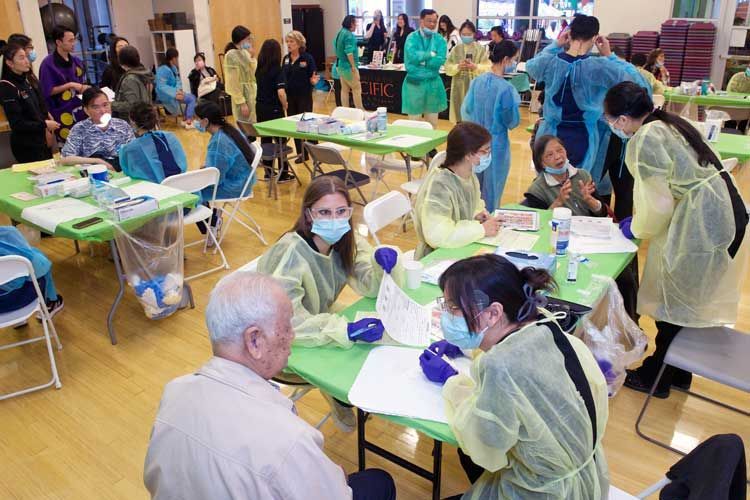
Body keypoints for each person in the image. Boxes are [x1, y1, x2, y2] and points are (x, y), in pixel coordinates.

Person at [143, 271, 397, 500]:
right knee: (378, 482)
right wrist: (333, 479)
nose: (293, 335)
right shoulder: (288, 440)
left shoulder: (174, 392)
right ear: (254, 340)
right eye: (287, 325)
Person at [421, 254, 609, 498]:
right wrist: (470, 346)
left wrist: (450, 380)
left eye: (454, 308)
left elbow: (485, 445)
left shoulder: (499, 366)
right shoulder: (548, 326)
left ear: (493, 313)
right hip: (585, 477)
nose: (446, 315)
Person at [604, 81, 748, 398]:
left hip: (707, 220)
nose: (613, 127)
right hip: (723, 211)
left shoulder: (646, 138)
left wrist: (636, 229)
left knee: (675, 299)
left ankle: (659, 376)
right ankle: (679, 371)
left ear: (623, 119)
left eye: (611, 120)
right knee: (688, 297)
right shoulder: (667, 122)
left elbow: (658, 205)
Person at [257, 175, 400, 431]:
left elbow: (368, 285)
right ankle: (339, 394)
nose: (334, 219)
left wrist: (381, 266)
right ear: (309, 214)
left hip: (314, 318)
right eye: (324, 212)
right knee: (353, 345)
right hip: (279, 338)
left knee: (372, 339)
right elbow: (285, 322)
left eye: (341, 211)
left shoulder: (345, 241)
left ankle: (342, 394)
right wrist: (345, 331)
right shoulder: (290, 253)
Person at [525, 13, 648, 194]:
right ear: (594, 37)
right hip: (583, 137)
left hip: (550, 134)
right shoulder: (600, 66)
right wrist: (610, 55)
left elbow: (531, 67)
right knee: (578, 188)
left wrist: (556, 45)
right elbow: (639, 84)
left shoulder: (551, 61)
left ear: (570, 34)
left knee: (549, 187)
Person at [413, 122, 501, 259]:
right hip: (436, 256)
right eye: (485, 151)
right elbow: (437, 235)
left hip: (459, 247)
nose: (488, 156)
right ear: (468, 154)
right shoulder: (440, 185)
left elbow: (473, 202)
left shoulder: (468, 175)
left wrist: (478, 214)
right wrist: (481, 229)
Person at [461, 40, 521, 211]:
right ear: (506, 60)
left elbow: (467, 110)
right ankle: (490, 222)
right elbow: (512, 121)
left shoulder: (477, 82)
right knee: (493, 188)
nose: (514, 64)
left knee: (474, 186)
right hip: (496, 144)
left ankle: (474, 219)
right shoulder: (506, 90)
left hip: (475, 143)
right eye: (514, 60)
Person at [0, 43, 59, 162]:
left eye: (26, 57)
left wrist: (46, 128)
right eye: (21, 58)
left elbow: (37, 109)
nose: (27, 61)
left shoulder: (26, 81)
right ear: (10, 63)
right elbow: (17, 123)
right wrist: (44, 125)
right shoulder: (7, 86)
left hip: (40, 140)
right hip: (26, 145)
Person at [525, 135, 608, 215]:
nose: (557, 156)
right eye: (550, 155)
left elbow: (603, 213)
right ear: (542, 163)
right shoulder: (537, 189)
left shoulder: (583, 175)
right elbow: (539, 222)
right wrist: (559, 201)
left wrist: (590, 200)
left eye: (559, 150)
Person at [194, 100, 257, 202]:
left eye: (197, 119)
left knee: (192, 192)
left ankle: (210, 217)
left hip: (234, 187)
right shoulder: (230, 130)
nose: (195, 122)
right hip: (243, 181)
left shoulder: (219, 142)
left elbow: (215, 178)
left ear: (205, 121)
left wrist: (204, 172)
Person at [60, 87, 134, 171]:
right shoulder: (80, 129)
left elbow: (134, 152)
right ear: (86, 111)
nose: (103, 111)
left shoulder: (122, 125)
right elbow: (65, 159)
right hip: (95, 173)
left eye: (105, 105)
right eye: (96, 107)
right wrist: (97, 161)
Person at [0, 226, 64, 319]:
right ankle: (50, 302)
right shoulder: (9, 233)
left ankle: (19, 322)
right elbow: (21, 280)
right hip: (12, 301)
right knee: (40, 263)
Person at [39, 25, 89, 142]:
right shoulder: (48, 64)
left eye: (74, 40)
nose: (74, 43)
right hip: (60, 111)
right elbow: (47, 90)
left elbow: (82, 82)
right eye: (70, 40)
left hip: (80, 109)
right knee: (69, 145)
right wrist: (70, 85)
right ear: (58, 42)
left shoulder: (77, 61)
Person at [255, 38, 294, 182]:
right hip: (274, 109)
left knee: (265, 139)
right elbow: (281, 92)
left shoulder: (259, 70)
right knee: (280, 140)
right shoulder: (278, 70)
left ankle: (268, 172)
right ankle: (283, 173)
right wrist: (285, 104)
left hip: (260, 107)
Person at [119, 102, 187, 183]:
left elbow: (128, 172)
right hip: (181, 185)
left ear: (132, 121)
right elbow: (182, 165)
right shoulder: (170, 136)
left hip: (154, 190)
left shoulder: (129, 149)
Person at [402, 9, 448, 129]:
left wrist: (422, 61)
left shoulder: (440, 40)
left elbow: (439, 60)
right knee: (414, 123)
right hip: (414, 85)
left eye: (434, 22)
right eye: (429, 21)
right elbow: (411, 57)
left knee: (432, 123)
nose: (432, 24)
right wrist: (431, 54)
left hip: (433, 85)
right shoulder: (412, 38)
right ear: (421, 21)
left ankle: (430, 147)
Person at [282, 31, 319, 163]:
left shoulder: (307, 58)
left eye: (292, 41)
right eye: (287, 41)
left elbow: (313, 75)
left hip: (304, 95)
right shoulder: (286, 58)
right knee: (295, 125)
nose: (289, 44)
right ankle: (301, 154)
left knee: (307, 123)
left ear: (299, 43)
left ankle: (316, 153)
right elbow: (283, 76)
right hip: (290, 96)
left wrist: (314, 81)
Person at [445, 20, 489, 124]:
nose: (466, 36)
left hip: (476, 87)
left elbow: (487, 67)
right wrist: (458, 66)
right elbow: (448, 66)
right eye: (463, 34)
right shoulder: (456, 49)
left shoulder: (480, 49)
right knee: (459, 114)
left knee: (474, 115)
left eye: (469, 34)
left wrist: (475, 66)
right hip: (458, 86)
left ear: (474, 34)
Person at [223, 26, 257, 123]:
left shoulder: (244, 52)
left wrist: (252, 56)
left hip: (251, 93)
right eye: (248, 39)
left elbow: (252, 71)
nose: (250, 42)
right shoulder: (231, 55)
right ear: (240, 39)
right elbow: (232, 81)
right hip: (241, 96)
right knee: (244, 127)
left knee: (252, 126)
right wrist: (241, 102)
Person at [156, 47, 196, 127]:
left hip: (174, 92)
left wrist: (178, 90)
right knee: (191, 98)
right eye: (177, 58)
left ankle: (186, 118)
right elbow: (161, 86)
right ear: (174, 58)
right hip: (166, 95)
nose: (177, 60)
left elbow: (178, 80)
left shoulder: (173, 68)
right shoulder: (162, 69)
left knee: (192, 97)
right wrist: (174, 93)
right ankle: (188, 120)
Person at [111, 45, 153, 119]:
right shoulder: (143, 72)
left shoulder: (129, 79)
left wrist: (112, 104)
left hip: (132, 119)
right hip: (145, 115)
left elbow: (133, 105)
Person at [334, 15, 364, 110]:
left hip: (340, 66)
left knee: (345, 89)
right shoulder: (349, 35)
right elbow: (349, 52)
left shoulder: (340, 32)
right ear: (351, 23)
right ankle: (360, 110)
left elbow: (335, 45)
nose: (356, 25)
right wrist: (353, 66)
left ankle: (345, 110)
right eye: (355, 23)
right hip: (348, 66)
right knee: (356, 89)